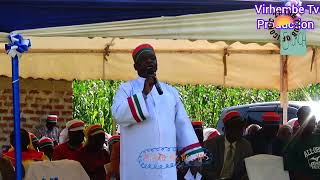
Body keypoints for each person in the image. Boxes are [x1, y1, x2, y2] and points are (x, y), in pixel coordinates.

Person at [111, 44, 204, 180]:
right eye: (144, 59)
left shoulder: (170, 92)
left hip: (166, 166)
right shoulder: (126, 89)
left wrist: (193, 156)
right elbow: (118, 114)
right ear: (136, 67)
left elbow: (182, 124)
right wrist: (143, 94)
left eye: (152, 59)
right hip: (138, 167)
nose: (149, 61)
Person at [202, 111, 253, 180]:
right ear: (226, 129)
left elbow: (248, 169)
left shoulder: (245, 146)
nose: (240, 131)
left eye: (241, 127)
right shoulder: (211, 144)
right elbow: (205, 169)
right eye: (235, 127)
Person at [283, 106, 320, 180]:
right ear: (300, 121)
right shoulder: (292, 145)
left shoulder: (318, 137)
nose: (312, 123)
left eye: (313, 120)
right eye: (308, 120)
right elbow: (291, 173)